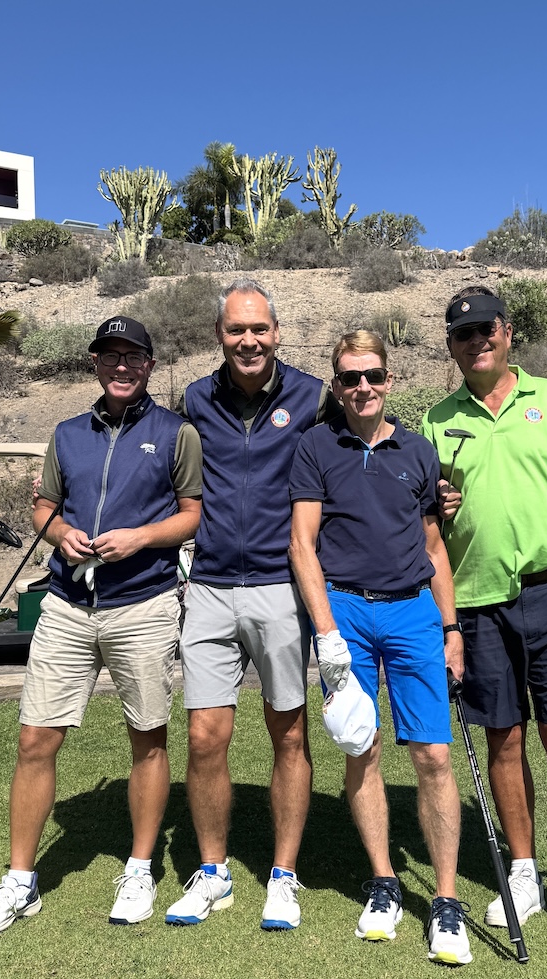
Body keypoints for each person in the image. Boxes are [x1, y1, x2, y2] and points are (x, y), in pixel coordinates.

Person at [0, 316, 202, 937]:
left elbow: (192, 515)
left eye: (133, 356)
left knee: (148, 738)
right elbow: (44, 507)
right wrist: (62, 533)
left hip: (143, 605)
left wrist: (140, 538)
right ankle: (20, 881)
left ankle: (141, 868)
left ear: (150, 365)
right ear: (94, 363)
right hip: (68, 605)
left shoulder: (175, 433)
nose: (122, 366)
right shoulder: (67, 434)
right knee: (35, 741)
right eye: (110, 355)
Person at [421, 286, 547, 965]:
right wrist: (438, 504)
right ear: (451, 347)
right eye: (462, 334)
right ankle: (524, 872)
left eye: (486, 329)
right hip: (477, 601)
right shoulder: (437, 420)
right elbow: (429, 521)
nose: (476, 341)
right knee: (503, 740)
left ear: (506, 333)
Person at [289, 330, 471, 966]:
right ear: (336, 385)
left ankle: (445, 900)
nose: (362, 387)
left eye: (372, 375)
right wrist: (327, 636)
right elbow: (302, 545)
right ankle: (385, 881)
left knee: (433, 755)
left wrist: (451, 629)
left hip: (414, 612)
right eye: (349, 377)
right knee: (359, 746)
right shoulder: (316, 446)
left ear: (389, 379)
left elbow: (434, 546)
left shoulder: (418, 450)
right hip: (345, 613)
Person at [166, 279, 342, 931]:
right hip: (210, 586)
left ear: (277, 332)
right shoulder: (193, 399)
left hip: (280, 588)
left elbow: (356, 450)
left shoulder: (312, 397)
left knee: (288, 732)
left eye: (259, 328)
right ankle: (213, 873)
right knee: (204, 736)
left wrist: (427, 484)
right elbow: (165, 473)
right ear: (220, 335)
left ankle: (283, 876)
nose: (248, 340)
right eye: (236, 329)